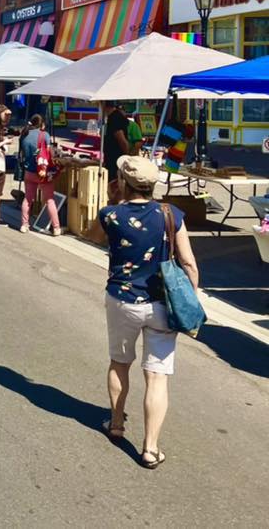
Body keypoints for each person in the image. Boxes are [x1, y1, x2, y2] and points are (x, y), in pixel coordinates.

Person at [91, 155, 200, 470]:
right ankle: (150, 449)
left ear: (123, 182)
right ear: (154, 185)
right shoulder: (171, 214)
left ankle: (115, 423)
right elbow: (189, 263)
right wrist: (191, 299)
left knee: (120, 363)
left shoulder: (111, 214)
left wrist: (112, 202)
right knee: (157, 377)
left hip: (122, 299)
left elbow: (91, 236)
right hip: (162, 304)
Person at [19, 114, 62, 236]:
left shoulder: (24, 134)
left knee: (27, 199)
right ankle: (56, 228)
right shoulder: (45, 135)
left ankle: (24, 224)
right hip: (43, 172)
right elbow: (49, 153)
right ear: (42, 124)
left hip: (29, 171)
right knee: (49, 200)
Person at [103, 101, 131, 181]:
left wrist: (126, 156)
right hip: (112, 158)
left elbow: (122, 140)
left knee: (114, 182)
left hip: (116, 159)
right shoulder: (112, 117)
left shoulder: (114, 118)